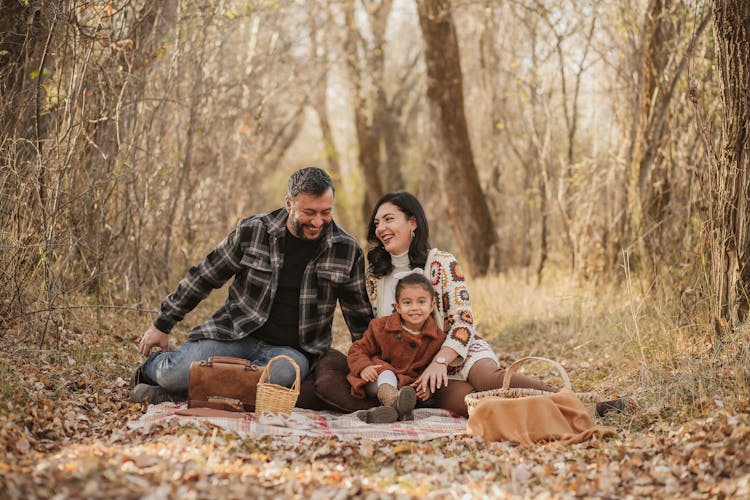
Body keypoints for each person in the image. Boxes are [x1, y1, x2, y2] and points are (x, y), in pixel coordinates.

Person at [361, 191, 630, 418]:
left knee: (490, 380)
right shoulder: (375, 278)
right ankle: (548, 417)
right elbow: (381, 334)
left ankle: (587, 407)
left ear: (413, 222)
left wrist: (441, 360)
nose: (381, 228)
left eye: (389, 219)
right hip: (425, 373)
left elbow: (464, 321)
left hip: (458, 351)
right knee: (473, 402)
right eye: (376, 223)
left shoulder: (442, 263)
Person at [129, 167, 373, 404]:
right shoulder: (254, 230)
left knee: (280, 378)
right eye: (309, 212)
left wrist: (370, 365)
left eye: (326, 212)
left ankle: (178, 396)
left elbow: (359, 316)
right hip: (234, 334)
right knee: (174, 374)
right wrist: (162, 324)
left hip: (291, 352)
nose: (318, 221)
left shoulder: (347, 250)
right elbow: (205, 276)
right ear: (289, 204)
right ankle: (156, 369)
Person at [347, 272, 446, 424]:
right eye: (407, 303)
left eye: (421, 302)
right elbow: (357, 349)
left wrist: (427, 388)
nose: (415, 308)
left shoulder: (437, 338)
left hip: (408, 387)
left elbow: (433, 371)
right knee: (387, 374)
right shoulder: (380, 327)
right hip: (376, 378)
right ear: (397, 307)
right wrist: (364, 367)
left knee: (408, 393)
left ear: (432, 305)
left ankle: (386, 413)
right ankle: (395, 403)